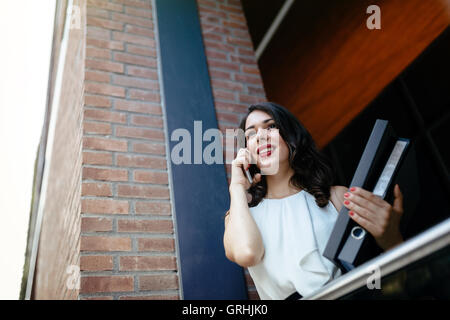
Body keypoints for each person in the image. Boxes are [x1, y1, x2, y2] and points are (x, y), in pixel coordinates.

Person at [223, 102, 405, 300]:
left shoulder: (337, 197)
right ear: (246, 151)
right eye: (251, 134)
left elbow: (386, 280)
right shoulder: (240, 216)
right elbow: (247, 253)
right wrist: (237, 188)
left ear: (290, 134)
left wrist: (391, 239)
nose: (260, 136)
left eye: (271, 127)